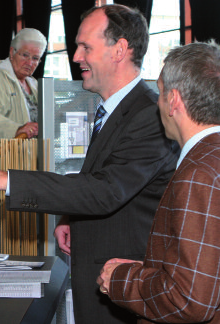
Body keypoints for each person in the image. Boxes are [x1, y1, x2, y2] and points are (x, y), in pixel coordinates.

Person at [0, 4, 179, 323]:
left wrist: (5, 180)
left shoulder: (147, 116)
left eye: (85, 47)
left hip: (122, 280)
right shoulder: (116, 110)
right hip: (101, 272)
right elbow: (103, 175)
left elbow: (107, 190)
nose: (76, 57)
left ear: (120, 49)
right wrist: (71, 216)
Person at [97, 42, 220, 323]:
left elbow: (189, 301)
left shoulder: (198, 174)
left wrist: (121, 279)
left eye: (161, 92)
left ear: (174, 100)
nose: (157, 102)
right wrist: (154, 271)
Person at [0, 28, 47, 140]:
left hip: (29, 156)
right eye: (25, 55)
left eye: (35, 58)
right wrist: (16, 129)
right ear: (12, 53)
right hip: (1, 156)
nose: (29, 63)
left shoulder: (34, 84)